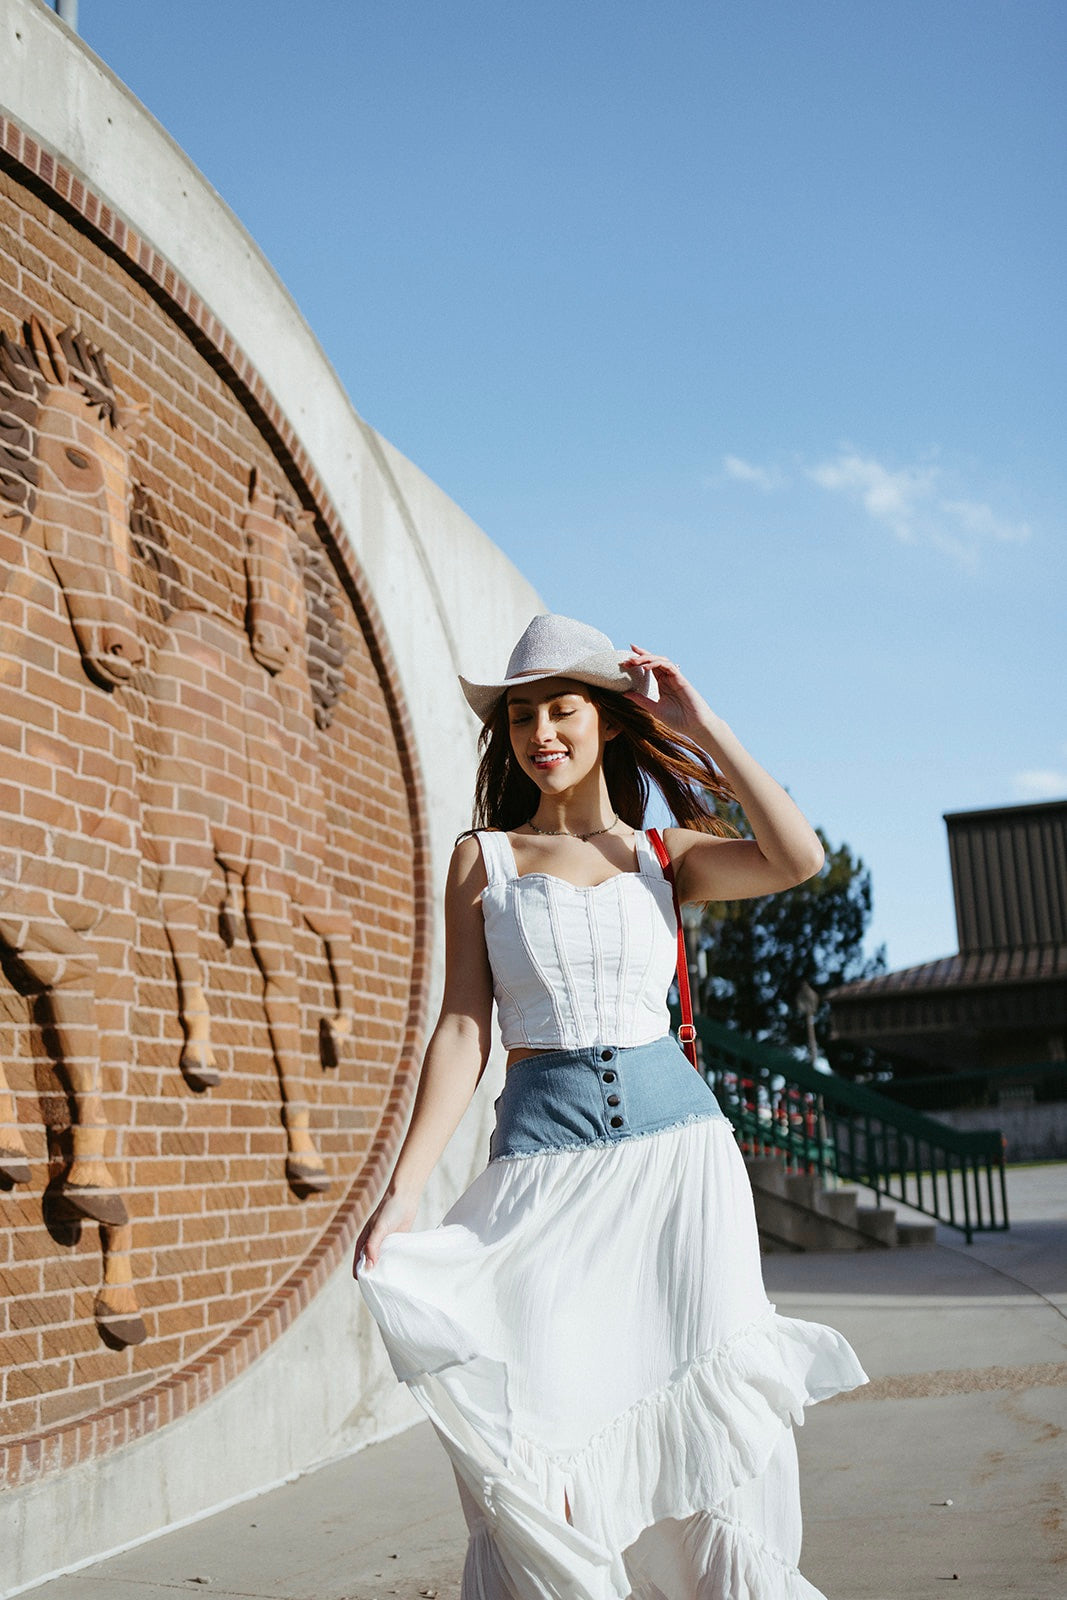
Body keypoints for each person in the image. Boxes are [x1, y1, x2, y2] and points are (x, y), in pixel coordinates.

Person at [354, 612, 869, 1600]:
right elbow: (463, 1031)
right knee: (537, 1438)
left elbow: (796, 857)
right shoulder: (484, 859)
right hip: (543, 1174)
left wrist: (699, 719)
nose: (540, 732)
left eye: (562, 709)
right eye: (520, 718)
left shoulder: (660, 857)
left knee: (708, 1443)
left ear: (605, 721)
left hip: (680, 1172)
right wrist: (402, 1191)